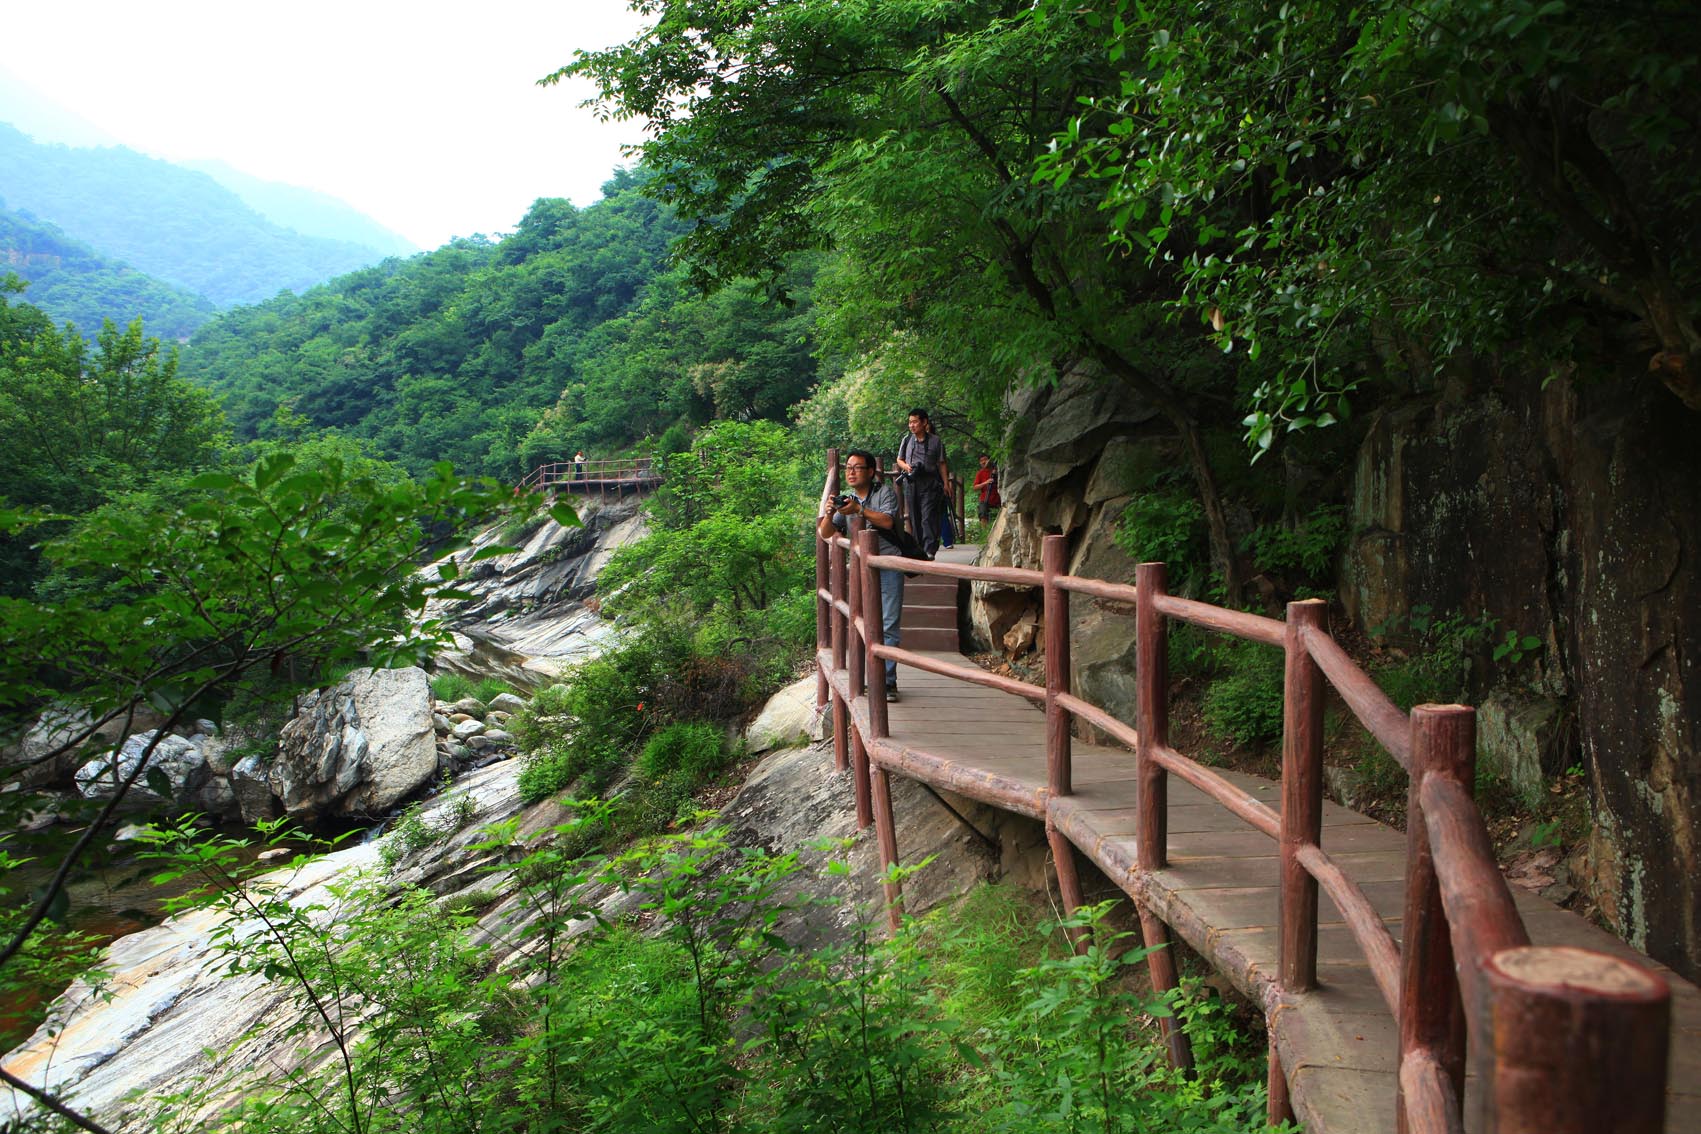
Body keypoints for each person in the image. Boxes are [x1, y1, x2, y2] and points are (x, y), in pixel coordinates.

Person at [817, 449, 905, 701]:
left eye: (857, 467)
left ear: (870, 471)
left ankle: (887, 683)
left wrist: (860, 510)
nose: (851, 472)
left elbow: (887, 522)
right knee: (862, 622)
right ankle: (870, 678)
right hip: (861, 569)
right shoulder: (847, 499)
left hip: (888, 563)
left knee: (888, 623)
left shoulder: (884, 492)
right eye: (848, 468)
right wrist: (829, 510)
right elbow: (825, 532)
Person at [895, 407, 949, 558]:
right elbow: (899, 460)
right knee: (914, 517)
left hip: (930, 483)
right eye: (910, 422)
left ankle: (929, 549)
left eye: (915, 422)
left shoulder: (935, 441)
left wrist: (946, 483)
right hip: (911, 484)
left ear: (924, 422)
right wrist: (907, 467)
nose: (912, 425)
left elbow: (942, 463)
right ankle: (919, 549)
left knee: (928, 516)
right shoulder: (906, 440)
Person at [973, 454, 1000, 523]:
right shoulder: (980, 473)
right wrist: (985, 482)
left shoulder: (996, 470)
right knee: (982, 512)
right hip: (985, 499)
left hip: (998, 498)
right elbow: (975, 487)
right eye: (981, 461)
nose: (983, 462)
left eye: (985, 459)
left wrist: (996, 474)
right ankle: (984, 531)